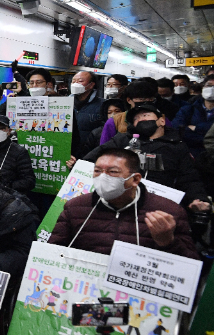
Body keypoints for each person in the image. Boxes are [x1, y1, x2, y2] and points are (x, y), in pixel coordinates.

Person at [49, 148, 199, 260]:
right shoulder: (75, 207)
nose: (103, 177)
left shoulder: (168, 211)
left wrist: (168, 242)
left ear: (135, 179)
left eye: (113, 172)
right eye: (97, 171)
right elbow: (52, 253)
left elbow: (190, 268)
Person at [84, 105, 209, 213]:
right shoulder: (121, 140)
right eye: (136, 119)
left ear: (162, 121)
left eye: (145, 115)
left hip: (161, 204)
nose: (140, 119)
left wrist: (198, 199)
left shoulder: (177, 146)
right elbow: (91, 159)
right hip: (122, 200)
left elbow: (189, 178)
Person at [172, 74, 214, 157]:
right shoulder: (187, 110)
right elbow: (176, 130)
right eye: (209, 85)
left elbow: (185, 132)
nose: (212, 89)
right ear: (202, 87)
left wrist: (196, 128)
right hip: (191, 157)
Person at [71, 71, 104, 150]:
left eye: (80, 81)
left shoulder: (103, 105)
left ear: (91, 85)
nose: (75, 84)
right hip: (70, 150)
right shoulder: (64, 104)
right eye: (73, 81)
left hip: (92, 151)